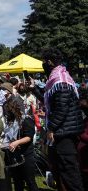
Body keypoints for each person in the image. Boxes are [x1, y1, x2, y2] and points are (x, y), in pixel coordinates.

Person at [41, 47, 84, 191]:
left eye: (44, 61)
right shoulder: (56, 78)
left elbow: (61, 108)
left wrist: (51, 127)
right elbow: (55, 103)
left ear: (49, 62)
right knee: (60, 171)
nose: (43, 65)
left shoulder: (60, 80)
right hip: (62, 130)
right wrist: (35, 90)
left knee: (69, 173)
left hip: (64, 133)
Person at [1, 100, 37, 191]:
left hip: (26, 155)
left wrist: (17, 142)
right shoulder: (10, 122)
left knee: (30, 182)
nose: (6, 114)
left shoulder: (26, 119)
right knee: (17, 182)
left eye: (7, 112)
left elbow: (29, 137)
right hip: (15, 156)